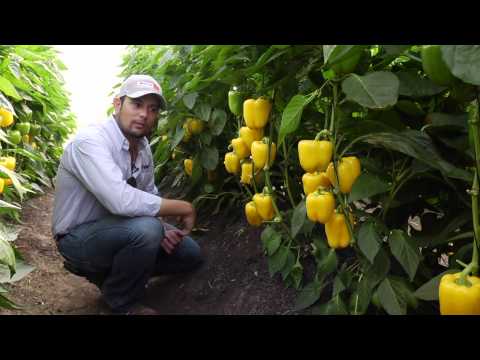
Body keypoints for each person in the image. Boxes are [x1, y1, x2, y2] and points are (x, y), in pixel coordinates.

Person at [52, 74, 203, 315]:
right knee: (146, 231)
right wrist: (184, 207)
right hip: (78, 239)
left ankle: (115, 278)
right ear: (118, 104)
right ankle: (121, 302)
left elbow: (148, 195)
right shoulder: (90, 142)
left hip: (120, 232)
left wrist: (163, 229)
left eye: (152, 109)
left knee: (189, 254)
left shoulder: (142, 148)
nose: (144, 114)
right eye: (137, 104)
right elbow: (121, 200)